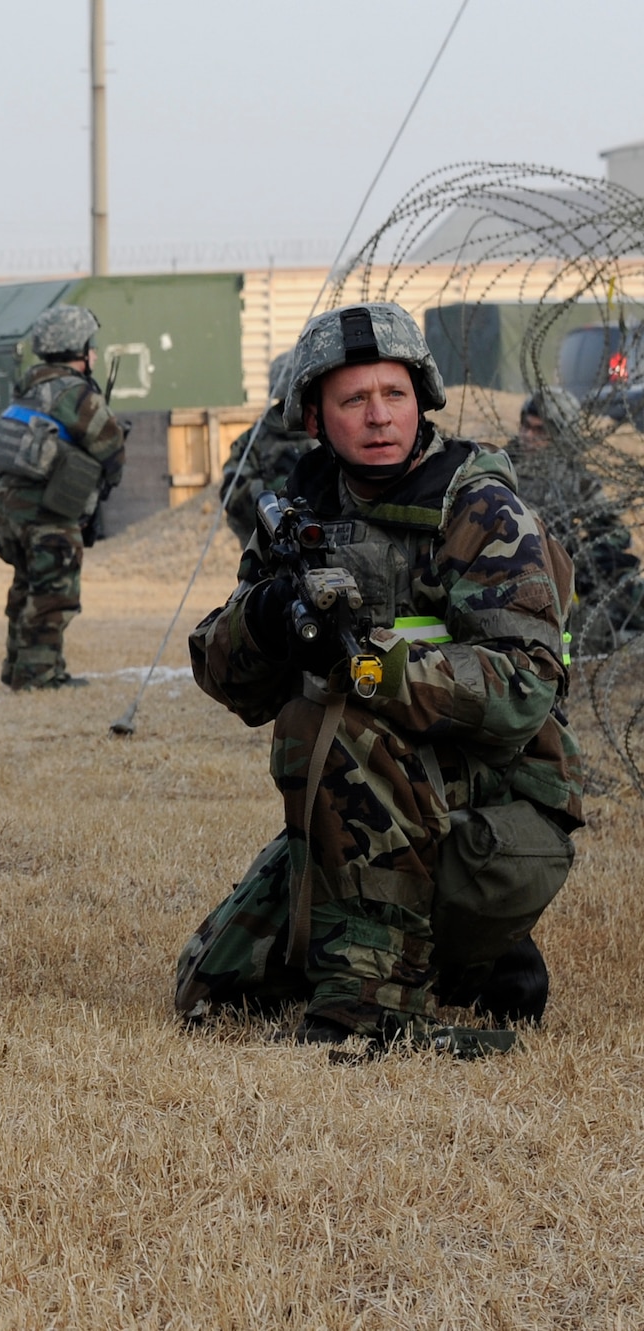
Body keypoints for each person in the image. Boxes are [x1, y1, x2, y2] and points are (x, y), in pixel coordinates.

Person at [175, 302, 583, 1051]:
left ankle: (375, 1010)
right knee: (209, 989)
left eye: (393, 394)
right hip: (374, 796)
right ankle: (474, 964)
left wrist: (365, 667)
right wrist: (267, 618)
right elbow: (230, 683)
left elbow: (526, 687)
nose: (378, 416)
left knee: (326, 720)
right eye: (353, 399)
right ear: (315, 417)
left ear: (420, 398)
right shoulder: (305, 514)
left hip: (502, 801)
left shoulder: (480, 508)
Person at [0, 304, 126, 690]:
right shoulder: (75, 393)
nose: (94, 354)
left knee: (26, 587)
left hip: (8, 512)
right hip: (48, 514)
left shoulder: (30, 387)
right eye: (90, 346)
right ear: (76, 349)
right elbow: (111, 447)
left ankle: (17, 666)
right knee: (52, 595)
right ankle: (39, 675)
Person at [511, 387, 644, 656]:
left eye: (541, 432)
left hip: (565, 579)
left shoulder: (576, 480)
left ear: (562, 437)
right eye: (527, 427)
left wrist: (583, 558)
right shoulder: (503, 468)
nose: (529, 437)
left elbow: (612, 533)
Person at [219, 353, 317, 546]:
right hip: (269, 546)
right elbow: (231, 494)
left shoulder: (327, 432)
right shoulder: (253, 441)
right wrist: (278, 488)